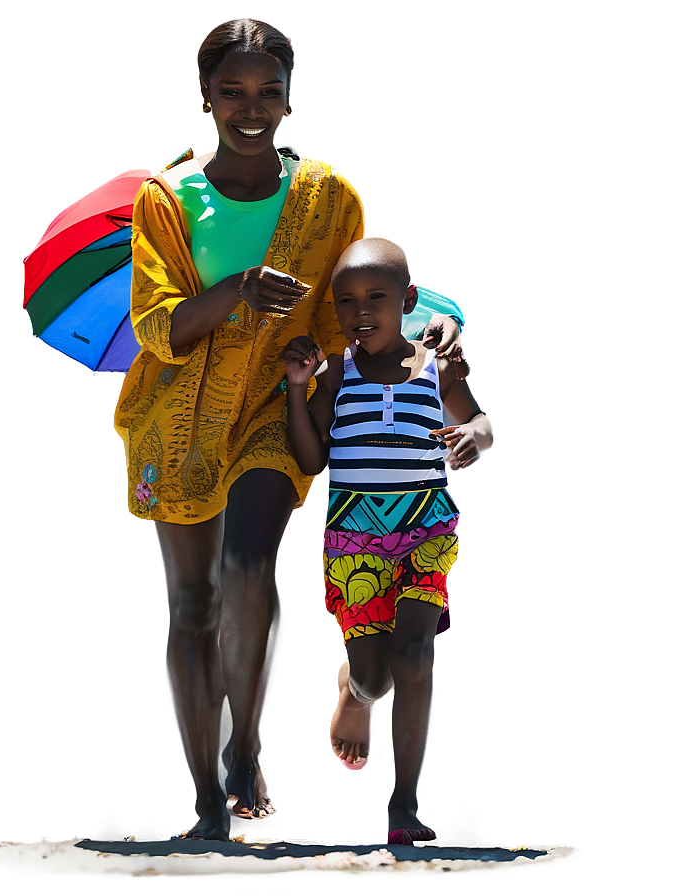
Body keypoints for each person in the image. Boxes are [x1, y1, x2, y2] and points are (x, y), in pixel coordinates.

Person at [114, 19, 463, 841]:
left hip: (279, 408)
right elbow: (157, 326)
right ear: (206, 97)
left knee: (247, 568)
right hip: (180, 421)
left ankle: (248, 749)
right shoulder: (165, 199)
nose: (251, 108)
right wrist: (236, 287)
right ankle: (205, 788)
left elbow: (363, 301)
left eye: (268, 91)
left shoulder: (327, 196)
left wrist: (438, 325)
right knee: (194, 600)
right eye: (232, 92)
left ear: (288, 99)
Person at [282, 238, 492, 845]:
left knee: (417, 658)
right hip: (355, 535)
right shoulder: (335, 373)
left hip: (429, 523)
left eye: (376, 297)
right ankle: (355, 690)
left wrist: (478, 435)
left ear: (408, 301)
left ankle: (405, 800)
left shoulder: (439, 365)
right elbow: (310, 458)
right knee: (376, 677)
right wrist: (298, 390)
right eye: (345, 301)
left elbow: (480, 418)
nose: (360, 311)